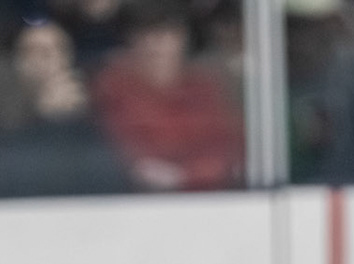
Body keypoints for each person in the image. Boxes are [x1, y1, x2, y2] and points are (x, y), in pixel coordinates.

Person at [91, 0, 245, 191]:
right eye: (146, 33)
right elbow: (131, 160)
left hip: (219, 198)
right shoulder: (113, 86)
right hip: (138, 202)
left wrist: (200, 172)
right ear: (130, 40)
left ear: (183, 38)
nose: (157, 44)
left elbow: (230, 147)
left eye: (167, 33)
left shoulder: (206, 85)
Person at [0, 18, 130, 197]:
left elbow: (111, 173)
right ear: (15, 61)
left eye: (51, 51)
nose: (41, 61)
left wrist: (71, 119)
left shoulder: (97, 107)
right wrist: (40, 118)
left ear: (68, 58)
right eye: (31, 52)